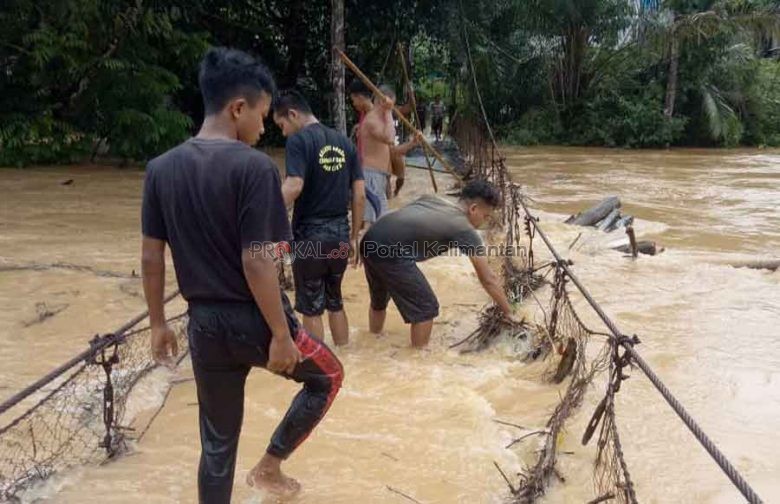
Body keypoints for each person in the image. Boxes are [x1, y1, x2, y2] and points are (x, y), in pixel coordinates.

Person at [141, 47, 343, 503]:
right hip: (256, 319)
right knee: (328, 376)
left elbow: (152, 257)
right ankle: (271, 467)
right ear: (238, 108)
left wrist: (157, 323)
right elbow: (258, 261)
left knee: (216, 444)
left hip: (204, 326)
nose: (264, 126)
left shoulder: (160, 170)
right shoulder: (253, 168)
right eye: (262, 115)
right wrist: (279, 334)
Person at [360, 180, 515, 348]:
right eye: (486, 216)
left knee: (379, 299)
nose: (484, 221)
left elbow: (406, 220)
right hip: (391, 251)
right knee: (426, 308)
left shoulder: (432, 200)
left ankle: (372, 342)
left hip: (370, 239)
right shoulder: (464, 229)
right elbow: (487, 279)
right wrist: (508, 312)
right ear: (473, 209)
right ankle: (418, 359)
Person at [273, 90, 365, 346]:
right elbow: (359, 195)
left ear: (292, 114)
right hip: (340, 237)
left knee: (311, 307)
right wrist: (354, 236)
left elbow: (294, 185)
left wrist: (263, 213)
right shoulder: (345, 143)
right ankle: (347, 360)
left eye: (282, 125)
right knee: (335, 301)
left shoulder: (298, 141)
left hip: (310, 240)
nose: (283, 133)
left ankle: (320, 368)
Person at [350, 81, 396, 225]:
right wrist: (388, 111)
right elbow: (389, 138)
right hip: (371, 175)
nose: (353, 104)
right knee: (375, 222)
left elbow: (389, 141)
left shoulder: (373, 117)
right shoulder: (371, 119)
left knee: (379, 220)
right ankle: (367, 247)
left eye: (353, 100)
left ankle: (370, 246)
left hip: (376, 175)